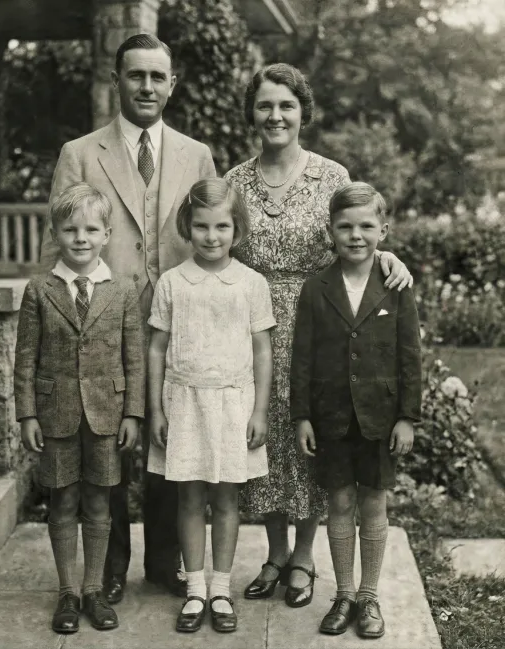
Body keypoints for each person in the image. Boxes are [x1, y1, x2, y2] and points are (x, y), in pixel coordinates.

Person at [225, 63, 412, 608]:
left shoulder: (331, 175)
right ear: (252, 113)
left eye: (286, 105)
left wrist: (390, 256)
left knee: (313, 438)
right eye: (265, 105)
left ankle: (305, 557)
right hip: (251, 325)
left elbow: (358, 236)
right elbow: (217, 246)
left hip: (323, 325)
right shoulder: (236, 181)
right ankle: (275, 551)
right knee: (267, 439)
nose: (275, 115)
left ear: (303, 111)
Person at [46, 33, 217, 603]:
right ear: (116, 81)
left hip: (177, 327)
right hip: (101, 328)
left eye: (157, 76)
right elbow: (62, 248)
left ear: (172, 84)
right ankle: (110, 565)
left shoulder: (196, 155)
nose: (147, 86)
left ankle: (165, 560)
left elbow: (214, 239)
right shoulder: (81, 152)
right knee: (109, 444)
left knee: (174, 442)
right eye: (136, 75)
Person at [292, 182, 420, 639]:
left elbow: (410, 355)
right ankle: (343, 593)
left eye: (367, 226)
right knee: (339, 502)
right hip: (330, 417)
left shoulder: (396, 286)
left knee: (373, 503)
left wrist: (407, 416)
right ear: (331, 231)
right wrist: (301, 415)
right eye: (345, 226)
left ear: (383, 230)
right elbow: (301, 356)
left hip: (380, 418)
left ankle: (369, 596)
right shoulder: (315, 288)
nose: (356, 235)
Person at [146, 179, 274, 634]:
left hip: (233, 404)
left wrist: (259, 410)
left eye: (222, 226)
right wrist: (157, 410)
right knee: (189, 496)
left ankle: (221, 587)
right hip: (183, 402)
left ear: (236, 230)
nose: (211, 236)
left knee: (225, 498)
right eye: (201, 226)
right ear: (188, 227)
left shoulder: (251, 284)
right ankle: (194, 586)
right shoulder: (172, 282)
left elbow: (262, 350)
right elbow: (157, 348)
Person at [16, 183, 144, 634]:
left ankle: (94, 589)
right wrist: (28, 414)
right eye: (70, 229)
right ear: (56, 233)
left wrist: (134, 414)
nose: (81, 238)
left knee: (100, 500)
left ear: (107, 234)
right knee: (63, 500)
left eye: (91, 229)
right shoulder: (39, 290)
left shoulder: (123, 290)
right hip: (57, 415)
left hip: (108, 416)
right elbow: (26, 357)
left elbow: (134, 358)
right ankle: (67, 592)